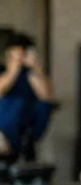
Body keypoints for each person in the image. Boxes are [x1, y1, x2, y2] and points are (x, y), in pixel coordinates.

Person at [0, 34, 56, 163]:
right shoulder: (4, 74)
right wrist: (13, 69)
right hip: (6, 129)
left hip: (30, 128)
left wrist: (35, 68)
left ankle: (24, 147)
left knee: (42, 105)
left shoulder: (32, 75)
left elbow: (46, 96)